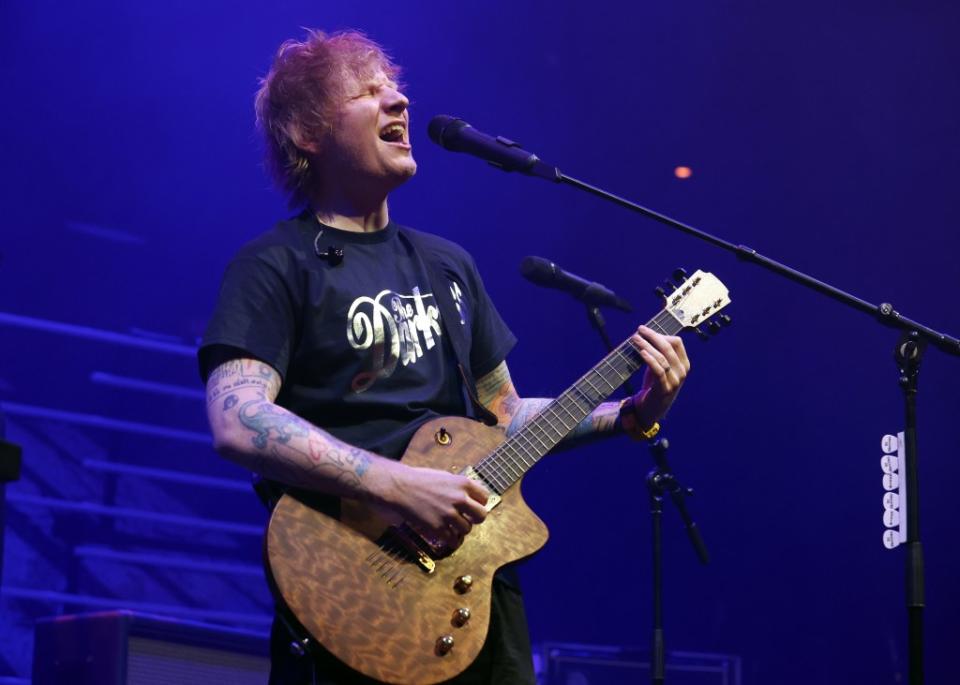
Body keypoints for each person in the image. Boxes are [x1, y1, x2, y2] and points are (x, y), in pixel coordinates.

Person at [199, 29, 690, 685]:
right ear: (308, 131)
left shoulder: (447, 265)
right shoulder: (275, 266)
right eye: (370, 92)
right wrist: (398, 485)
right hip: (353, 587)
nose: (398, 100)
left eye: (396, 87)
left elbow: (507, 417)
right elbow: (238, 418)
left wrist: (629, 414)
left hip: (473, 588)